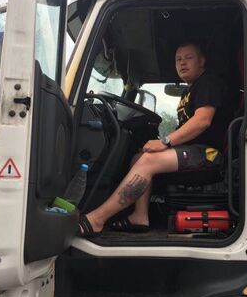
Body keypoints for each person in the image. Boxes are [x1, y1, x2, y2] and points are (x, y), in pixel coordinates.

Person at [79, 42, 231, 237]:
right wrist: (160, 144)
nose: (182, 63)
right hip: (194, 150)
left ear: (202, 61)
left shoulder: (208, 82)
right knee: (139, 157)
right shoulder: (189, 91)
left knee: (148, 161)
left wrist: (165, 141)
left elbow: (202, 121)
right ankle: (140, 216)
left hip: (209, 154)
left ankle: (97, 219)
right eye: (178, 59)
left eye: (189, 58)